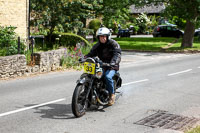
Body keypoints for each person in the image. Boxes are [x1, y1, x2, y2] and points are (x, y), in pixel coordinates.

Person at [85, 27, 121, 105]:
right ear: (98, 37)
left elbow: (117, 54)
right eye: (101, 36)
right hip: (102, 64)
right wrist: (84, 58)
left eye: (104, 36)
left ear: (108, 36)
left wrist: (113, 62)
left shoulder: (113, 44)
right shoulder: (97, 45)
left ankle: (112, 95)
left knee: (107, 77)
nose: (103, 38)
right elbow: (90, 54)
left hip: (112, 66)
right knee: (93, 76)